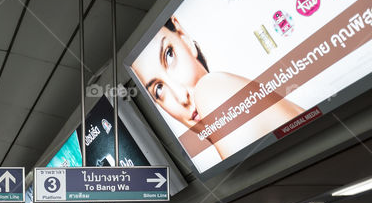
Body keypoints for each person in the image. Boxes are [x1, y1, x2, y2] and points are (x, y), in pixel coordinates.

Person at [129, 16, 303, 161]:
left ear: (184, 37)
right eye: (158, 90)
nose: (181, 97)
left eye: (169, 55)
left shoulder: (212, 90)